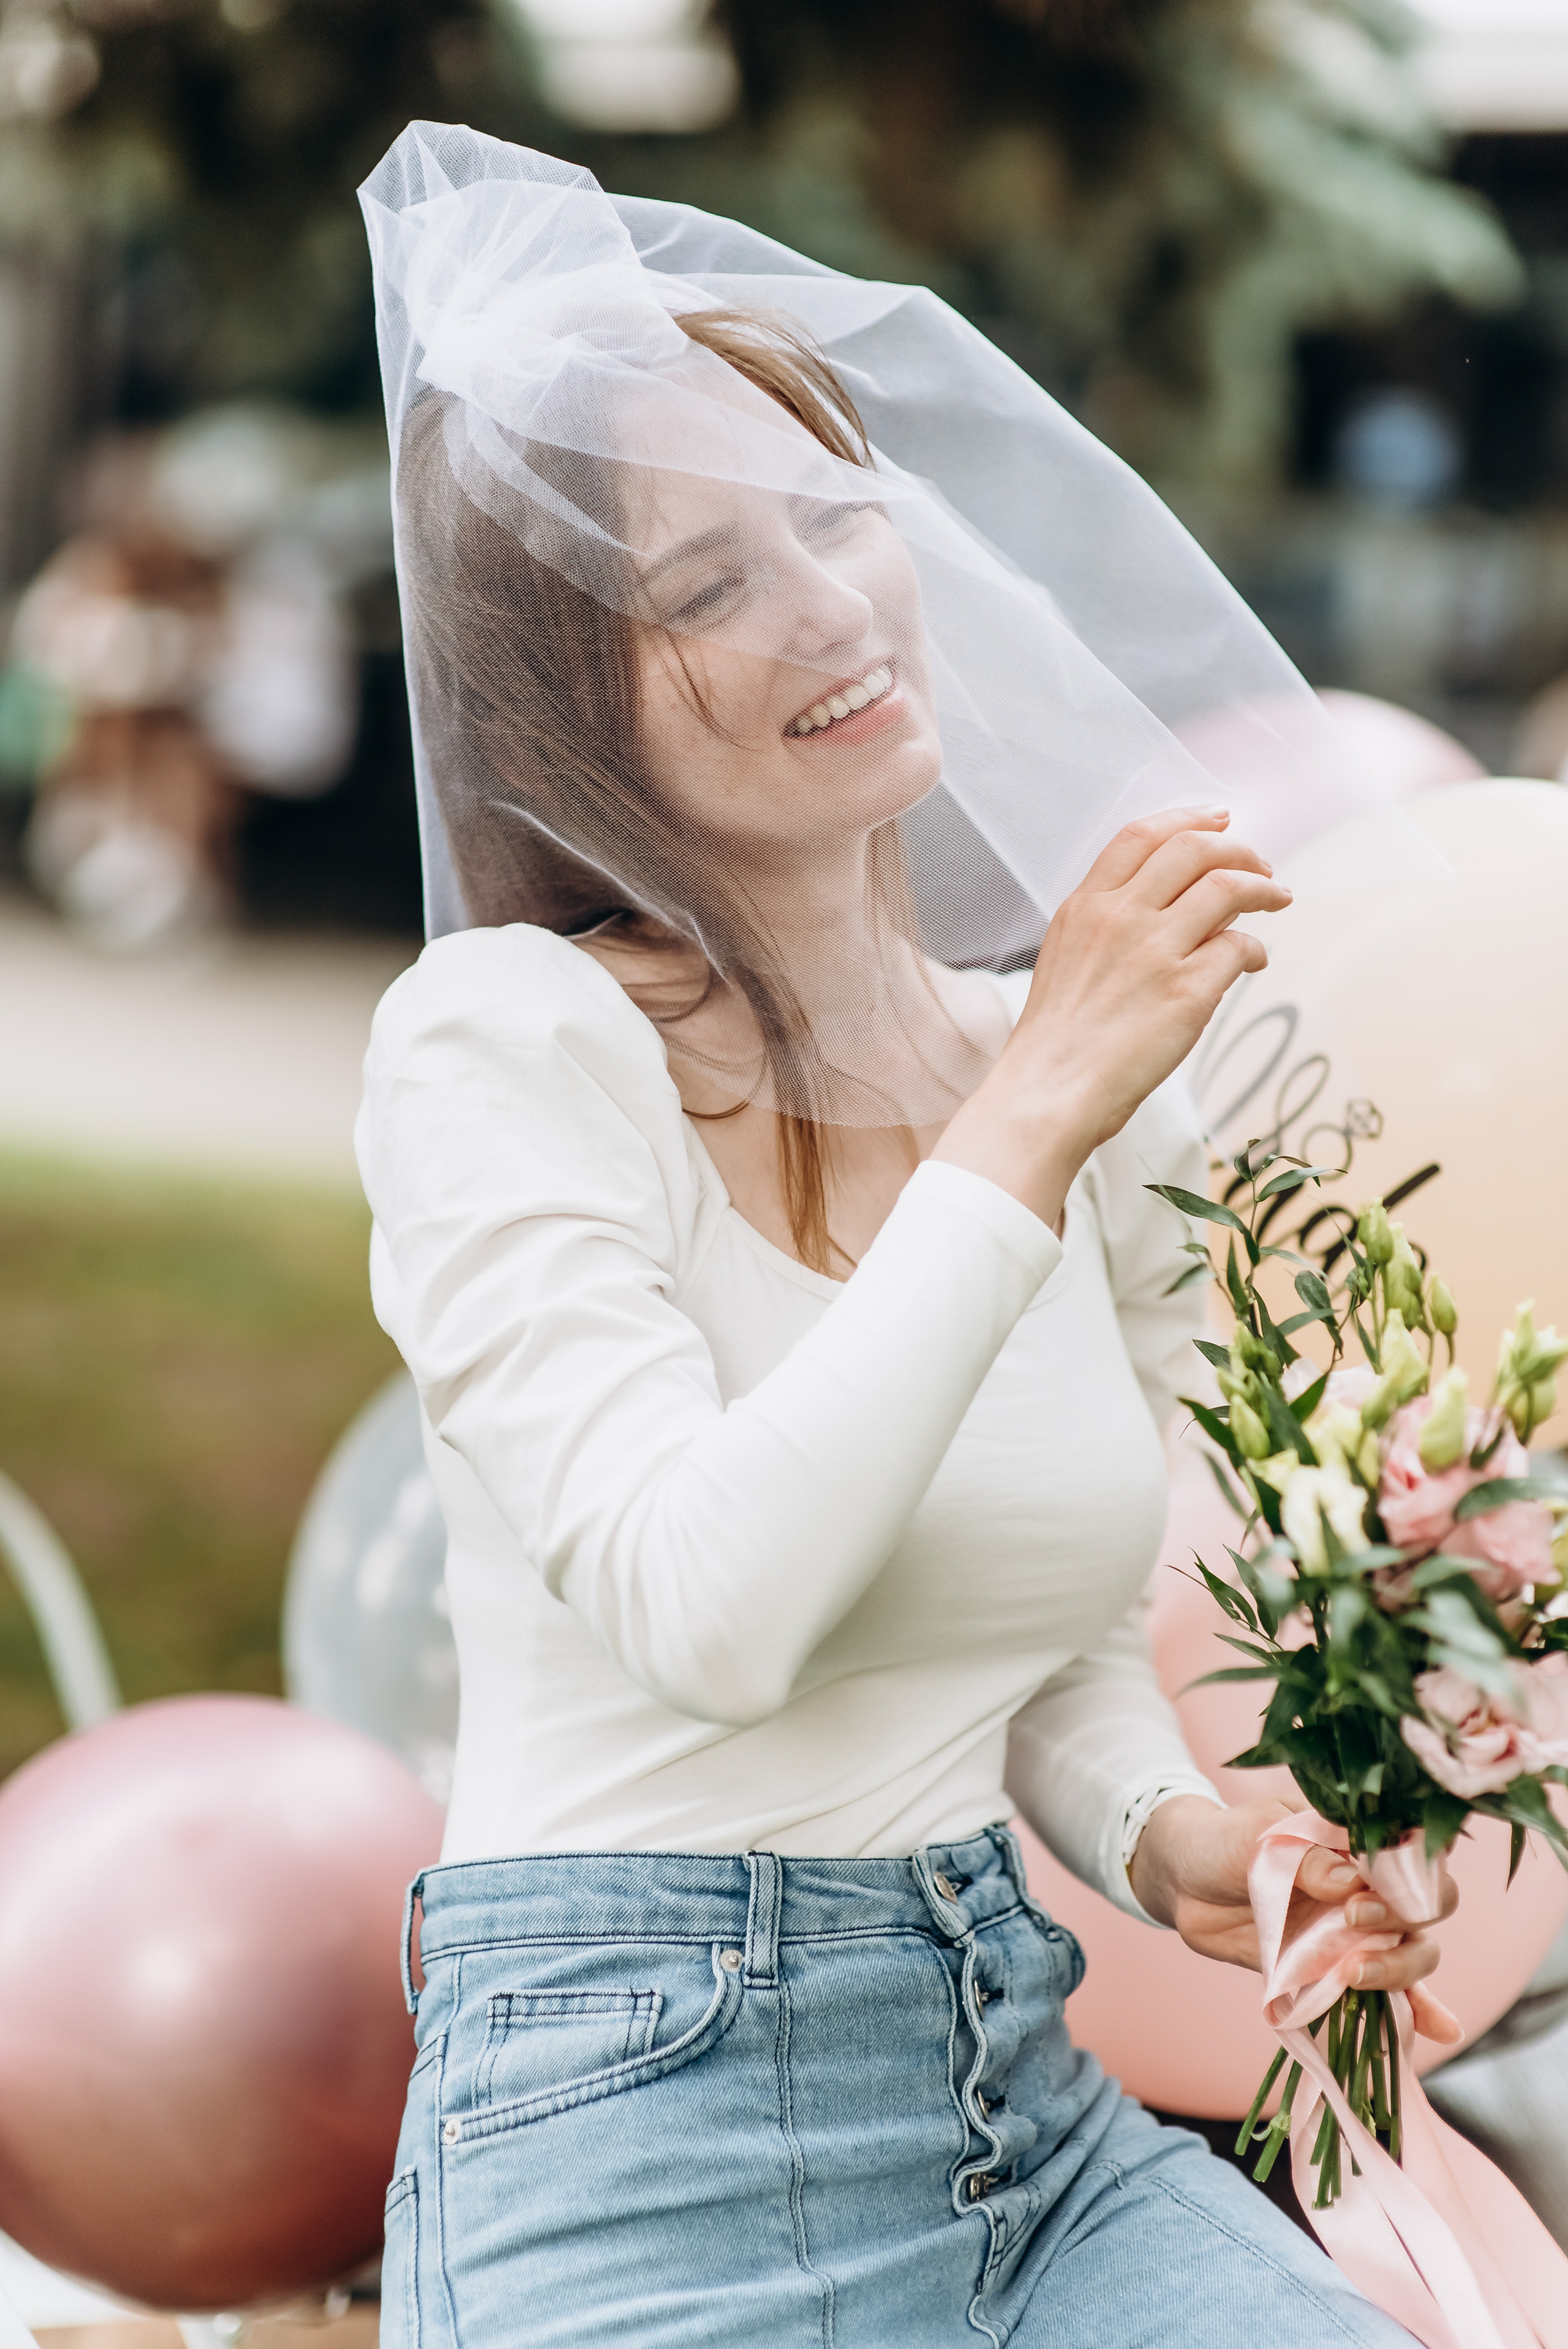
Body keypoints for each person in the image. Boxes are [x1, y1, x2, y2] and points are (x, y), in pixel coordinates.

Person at [355, 124, 1453, 2347]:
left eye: (836, 516)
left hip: (1011, 2099)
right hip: (619, 2122)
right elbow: (718, 1607)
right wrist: (1042, 1103)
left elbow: (1026, 1639)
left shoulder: (1030, 1075)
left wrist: (1188, 1848)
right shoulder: (502, 1044)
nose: (836, 606)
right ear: (567, 699)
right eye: (706, 586)